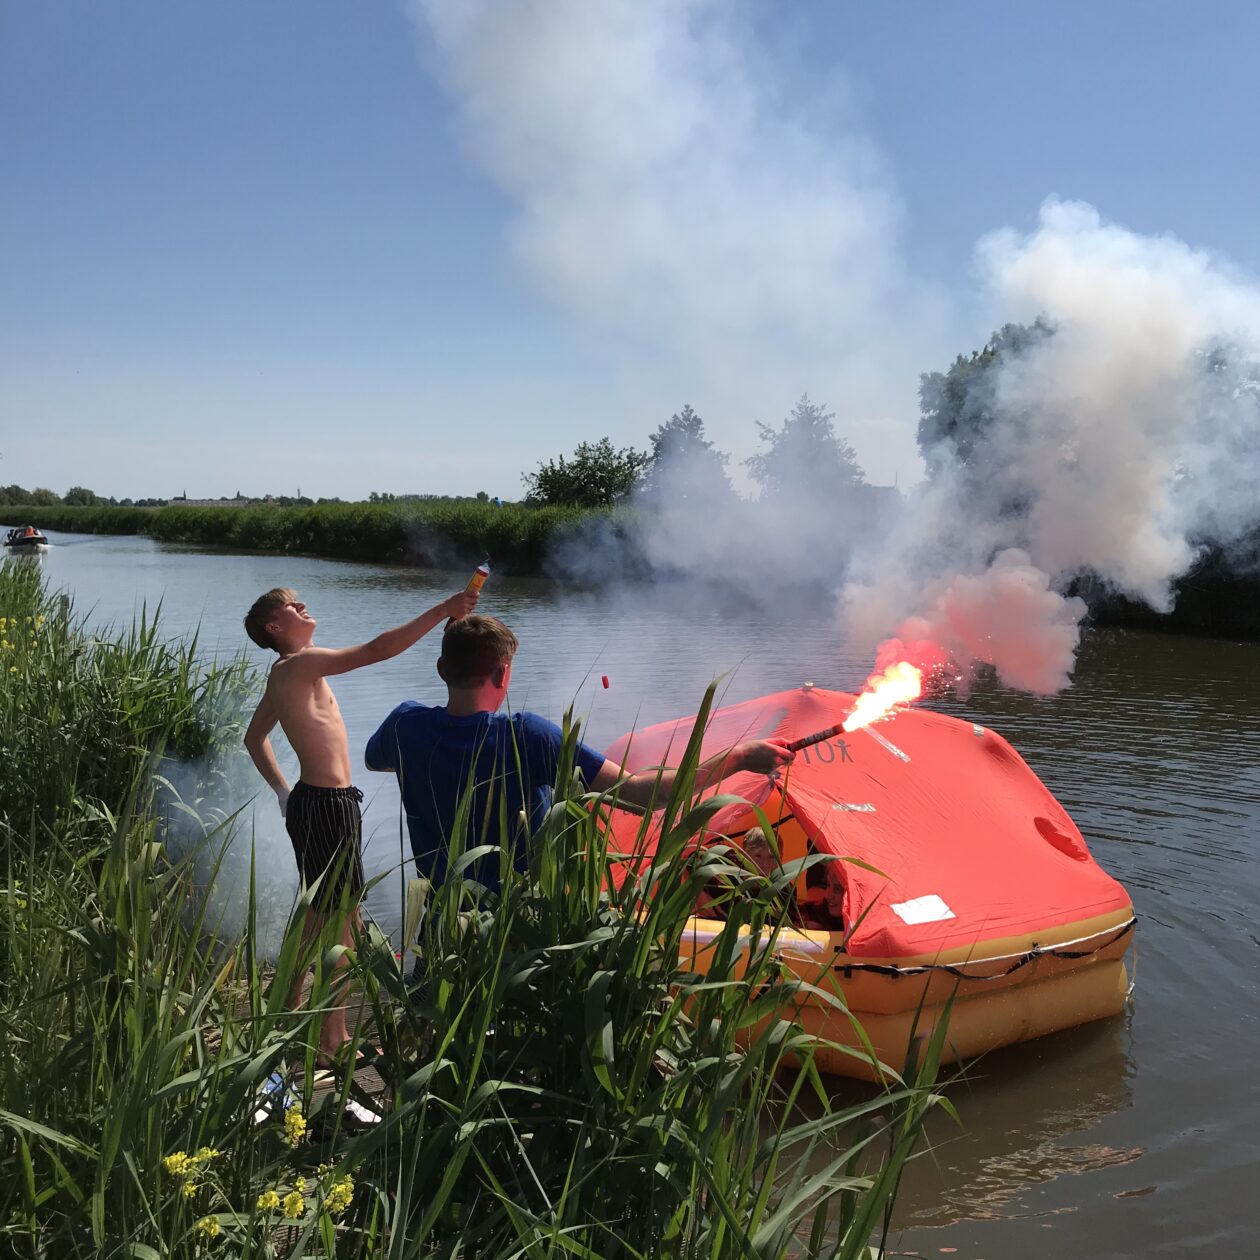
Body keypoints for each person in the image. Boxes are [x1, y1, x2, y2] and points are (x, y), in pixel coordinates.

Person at [364, 614, 795, 895]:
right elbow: (640, 795)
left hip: (438, 925)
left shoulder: (405, 726)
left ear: (441, 669)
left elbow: (373, 760)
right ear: (503, 674)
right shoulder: (526, 735)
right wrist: (738, 758)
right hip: (513, 929)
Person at [242, 584, 478, 1060]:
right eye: (292, 606)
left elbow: (253, 738)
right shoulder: (301, 664)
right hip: (328, 805)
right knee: (342, 927)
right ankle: (332, 1040)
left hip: (315, 802)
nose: (303, 606)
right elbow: (377, 649)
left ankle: (284, 1012)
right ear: (275, 627)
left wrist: (285, 793)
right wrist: (442, 610)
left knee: (318, 918)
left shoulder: (283, 674)